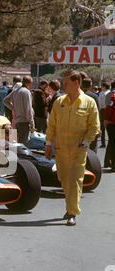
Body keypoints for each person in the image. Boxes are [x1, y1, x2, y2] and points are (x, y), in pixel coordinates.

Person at [45, 70, 100, 226]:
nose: (64, 86)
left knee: (75, 180)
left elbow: (94, 126)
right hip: (61, 148)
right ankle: (71, 206)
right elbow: (52, 125)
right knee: (64, 178)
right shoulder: (59, 101)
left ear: (77, 83)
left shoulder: (89, 102)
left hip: (78, 149)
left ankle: (72, 212)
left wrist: (85, 142)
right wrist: (48, 144)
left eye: (67, 83)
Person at [3, 75, 35, 146]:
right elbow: (28, 110)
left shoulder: (16, 91)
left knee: (18, 143)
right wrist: (32, 124)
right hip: (24, 122)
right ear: (30, 83)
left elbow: (5, 100)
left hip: (17, 121)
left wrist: (13, 108)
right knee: (23, 144)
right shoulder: (26, 92)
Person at [82, 77, 100, 153]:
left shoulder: (77, 95)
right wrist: (99, 129)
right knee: (92, 147)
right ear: (90, 86)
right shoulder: (94, 96)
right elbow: (97, 113)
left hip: (80, 126)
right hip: (91, 126)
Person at [104, 94, 115, 171]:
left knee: (112, 144)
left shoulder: (113, 97)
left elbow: (109, 108)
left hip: (112, 123)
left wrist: (106, 119)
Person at [99, 82, 111, 148]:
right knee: (110, 127)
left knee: (102, 128)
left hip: (103, 110)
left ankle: (103, 143)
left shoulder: (102, 93)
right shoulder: (111, 93)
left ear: (104, 87)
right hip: (110, 110)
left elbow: (100, 103)